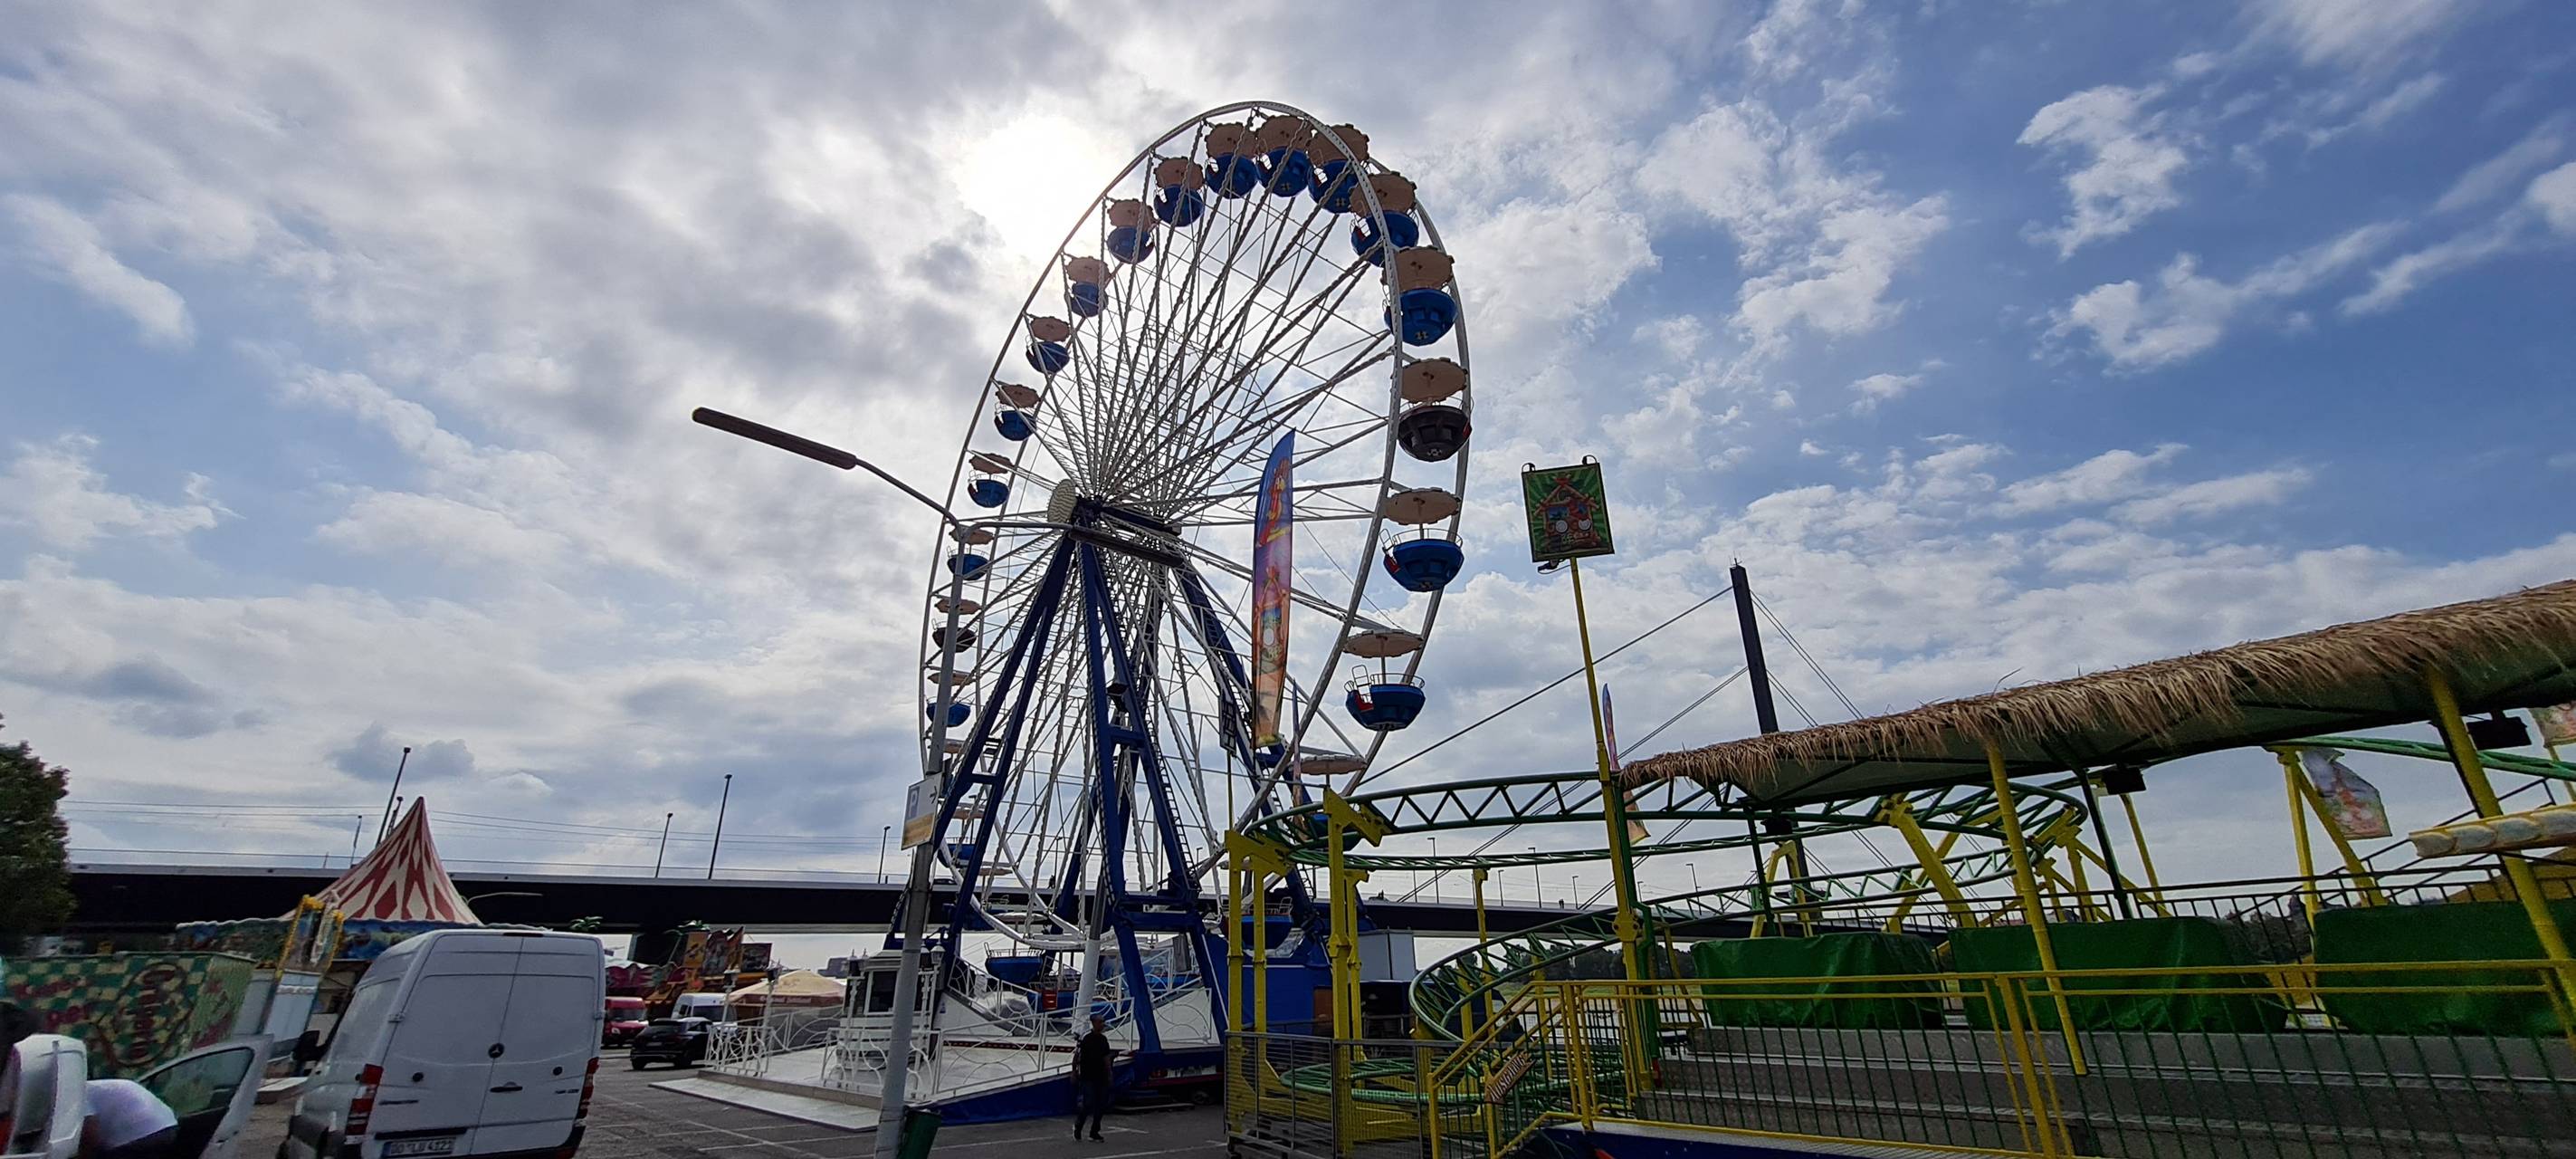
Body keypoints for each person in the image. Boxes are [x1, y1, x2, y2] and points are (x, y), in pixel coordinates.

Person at [80, 1078, 177, 1159]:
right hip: (167, 1124)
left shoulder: (77, 1095)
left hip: (137, 1135)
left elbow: (90, 1131)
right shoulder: (97, 1087)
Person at [1069, 1013, 1111, 1142]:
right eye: (1100, 1022)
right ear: (1094, 1023)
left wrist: (1109, 1073)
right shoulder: (1086, 1038)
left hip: (1101, 1076)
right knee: (1088, 1103)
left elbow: (1106, 1058)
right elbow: (1077, 1055)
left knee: (1101, 1104)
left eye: (1103, 1021)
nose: (1103, 1024)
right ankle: (1078, 1126)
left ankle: (1094, 1131)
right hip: (1088, 1076)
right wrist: (1074, 1071)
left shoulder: (1103, 1040)